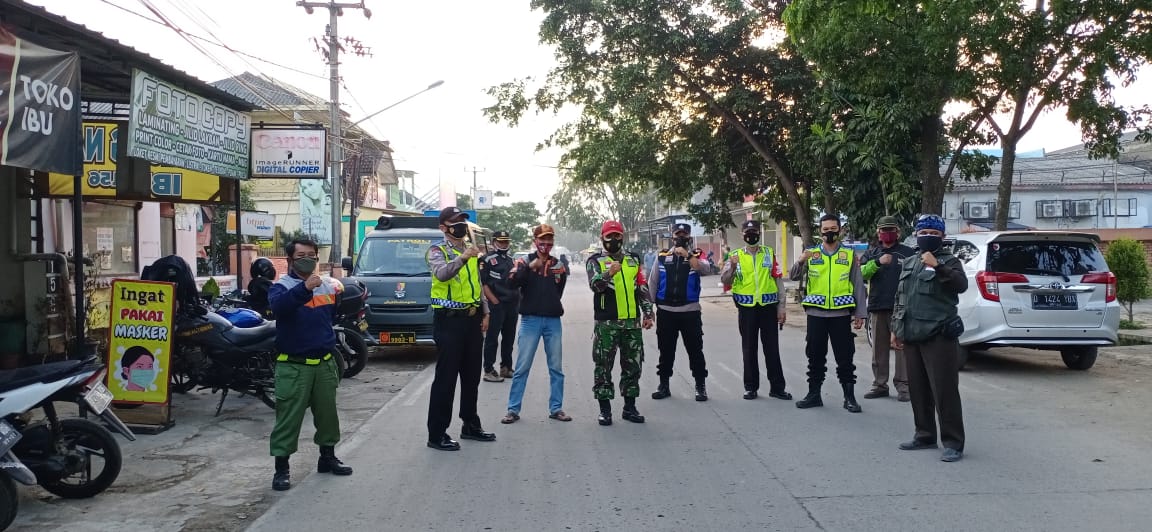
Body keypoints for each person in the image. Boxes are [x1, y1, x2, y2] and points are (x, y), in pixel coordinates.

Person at [267, 238, 353, 491]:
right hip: (294, 365)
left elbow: (333, 315)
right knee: (288, 419)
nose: (307, 259)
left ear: (317, 258)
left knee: (328, 416)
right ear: (290, 260)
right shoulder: (280, 287)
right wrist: (304, 288)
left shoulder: (327, 285)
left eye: (311, 255)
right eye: (301, 255)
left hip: (324, 363)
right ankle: (281, 469)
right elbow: (279, 309)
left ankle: (327, 457)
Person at [892, 214, 968, 462]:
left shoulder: (950, 261)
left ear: (942, 238)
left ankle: (953, 442)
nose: (928, 237)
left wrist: (937, 266)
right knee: (918, 389)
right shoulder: (910, 262)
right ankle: (924, 434)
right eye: (924, 233)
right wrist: (896, 328)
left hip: (939, 335)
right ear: (916, 234)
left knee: (944, 390)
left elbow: (960, 285)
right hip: (912, 333)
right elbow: (900, 297)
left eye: (934, 234)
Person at [425, 207, 496, 451]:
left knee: (471, 376)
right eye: (456, 222)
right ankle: (437, 433)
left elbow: (476, 283)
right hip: (449, 321)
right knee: (446, 379)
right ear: (443, 227)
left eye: (463, 222)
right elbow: (442, 274)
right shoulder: (437, 250)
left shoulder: (472, 252)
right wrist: (463, 257)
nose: (462, 226)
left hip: (472, 320)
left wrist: (485, 311)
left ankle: (470, 424)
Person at [790, 214, 868, 413]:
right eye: (825, 229)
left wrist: (860, 314)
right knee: (815, 356)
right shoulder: (812, 254)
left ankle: (849, 397)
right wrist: (800, 261)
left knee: (845, 357)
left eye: (833, 228)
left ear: (840, 230)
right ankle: (814, 394)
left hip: (841, 315)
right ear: (820, 231)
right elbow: (793, 276)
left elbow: (858, 285)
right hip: (816, 314)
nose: (829, 232)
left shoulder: (849, 255)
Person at [586, 220, 655, 426]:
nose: (614, 240)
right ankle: (605, 410)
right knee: (603, 366)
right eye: (610, 237)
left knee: (633, 366)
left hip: (632, 324)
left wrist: (648, 313)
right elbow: (595, 286)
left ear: (622, 237)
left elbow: (641, 287)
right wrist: (609, 273)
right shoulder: (595, 260)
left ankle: (629, 407)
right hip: (607, 324)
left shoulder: (633, 260)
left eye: (617, 236)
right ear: (602, 238)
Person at [501, 224, 571, 424]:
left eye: (549, 239)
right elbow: (511, 283)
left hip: (552, 320)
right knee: (522, 367)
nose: (546, 243)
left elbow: (559, 291)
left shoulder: (558, 265)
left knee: (556, 368)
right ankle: (513, 409)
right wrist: (529, 269)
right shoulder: (523, 261)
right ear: (535, 241)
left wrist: (549, 304)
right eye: (543, 239)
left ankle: (556, 408)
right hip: (530, 321)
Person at [721, 220, 791, 401]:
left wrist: (781, 307)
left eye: (754, 231)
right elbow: (726, 280)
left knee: (772, 349)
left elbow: (778, 282)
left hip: (768, 308)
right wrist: (734, 266)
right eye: (748, 232)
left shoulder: (769, 253)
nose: (751, 235)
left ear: (759, 233)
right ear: (743, 234)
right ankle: (750, 387)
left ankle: (777, 387)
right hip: (747, 309)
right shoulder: (735, 256)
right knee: (749, 348)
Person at [649, 223, 711, 401]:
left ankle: (700, 386)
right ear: (672, 236)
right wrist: (649, 310)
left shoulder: (697, 254)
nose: (680, 237)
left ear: (689, 237)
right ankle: (664, 384)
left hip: (689, 312)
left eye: (684, 234)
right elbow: (653, 281)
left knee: (695, 350)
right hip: (666, 311)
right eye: (677, 234)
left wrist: (688, 254)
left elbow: (706, 269)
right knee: (666, 350)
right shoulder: (662, 256)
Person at [859, 216, 916, 402]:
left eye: (891, 229)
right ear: (878, 233)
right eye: (884, 230)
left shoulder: (908, 253)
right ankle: (879, 384)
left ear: (898, 232)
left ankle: (904, 386)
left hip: (902, 308)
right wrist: (877, 262)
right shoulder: (872, 253)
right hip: (877, 306)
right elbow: (862, 274)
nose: (887, 233)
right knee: (879, 349)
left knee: (901, 348)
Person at [481, 230, 519, 382]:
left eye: (506, 241)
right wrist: (494, 301)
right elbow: (483, 284)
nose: (504, 244)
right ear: (494, 242)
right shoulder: (486, 260)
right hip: (496, 304)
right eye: (501, 241)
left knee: (509, 338)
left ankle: (506, 367)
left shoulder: (511, 260)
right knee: (492, 338)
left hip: (512, 304)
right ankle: (489, 369)